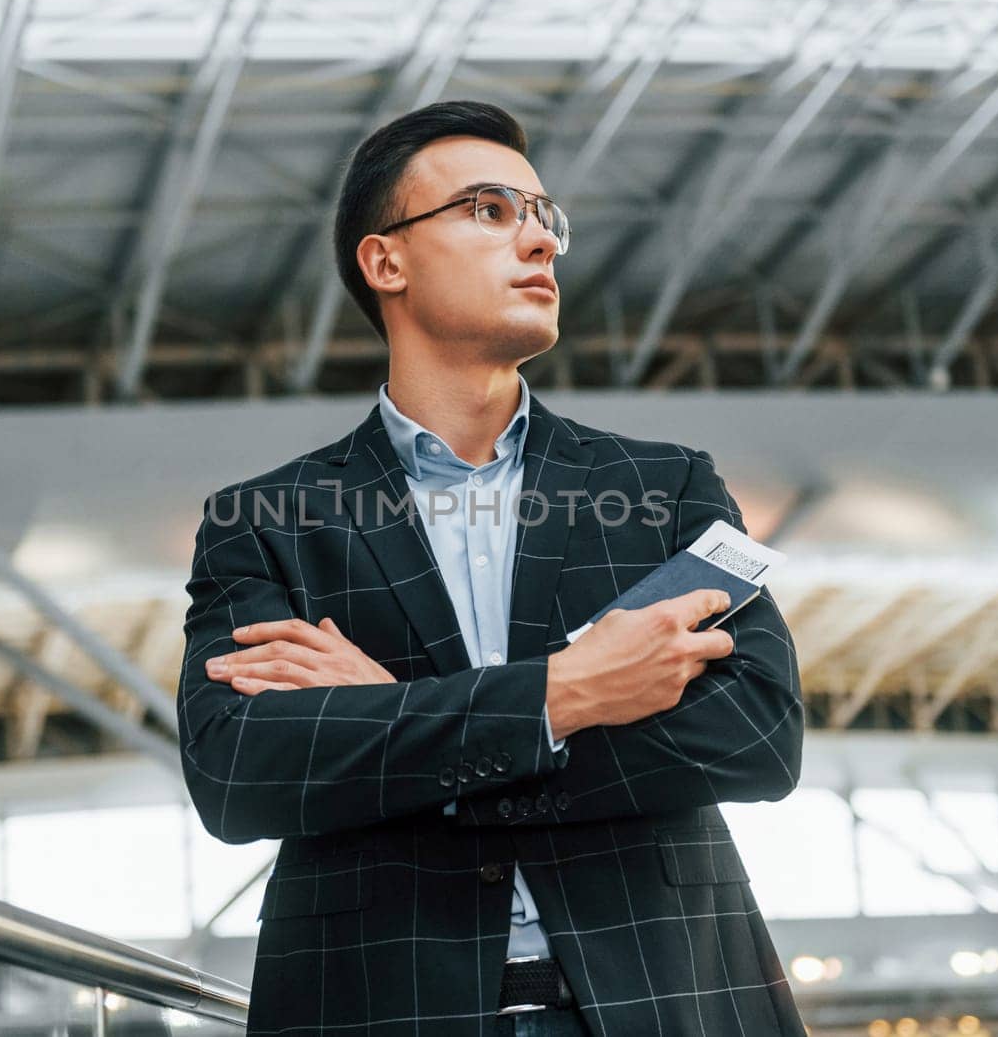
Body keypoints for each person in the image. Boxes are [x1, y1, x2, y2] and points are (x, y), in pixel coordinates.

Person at [176, 100, 805, 1036]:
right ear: (385, 260)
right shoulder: (266, 521)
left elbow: (757, 734)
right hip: (381, 1006)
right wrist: (566, 693)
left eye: (544, 215)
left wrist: (400, 715)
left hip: (669, 995)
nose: (540, 241)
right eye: (488, 209)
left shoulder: (665, 487)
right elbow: (239, 774)